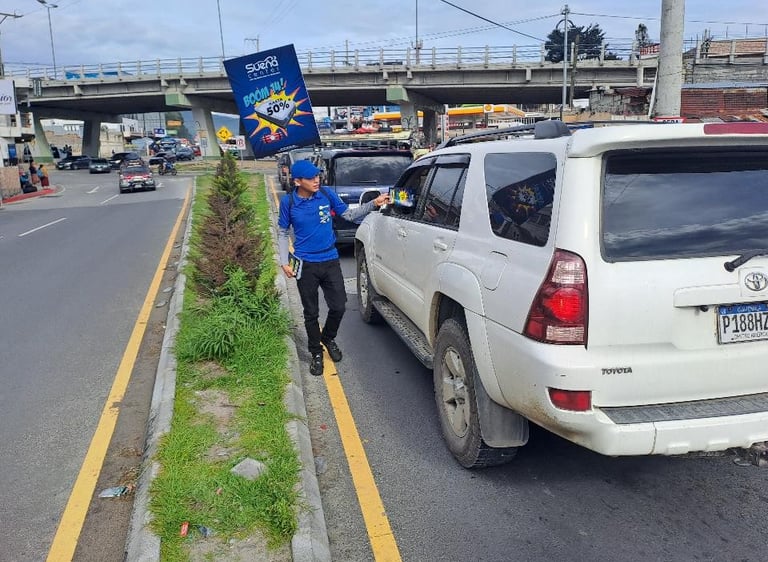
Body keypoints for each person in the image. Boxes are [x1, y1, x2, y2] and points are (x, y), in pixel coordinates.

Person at [278, 159, 390, 376]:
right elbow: (283, 232)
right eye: (310, 178)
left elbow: (348, 215)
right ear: (297, 181)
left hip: (330, 260)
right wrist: (284, 261)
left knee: (339, 306)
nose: (316, 180)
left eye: (317, 176)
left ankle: (328, 338)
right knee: (311, 313)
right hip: (305, 264)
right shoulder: (288, 202)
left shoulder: (326, 194)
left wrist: (373, 204)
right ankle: (316, 352)